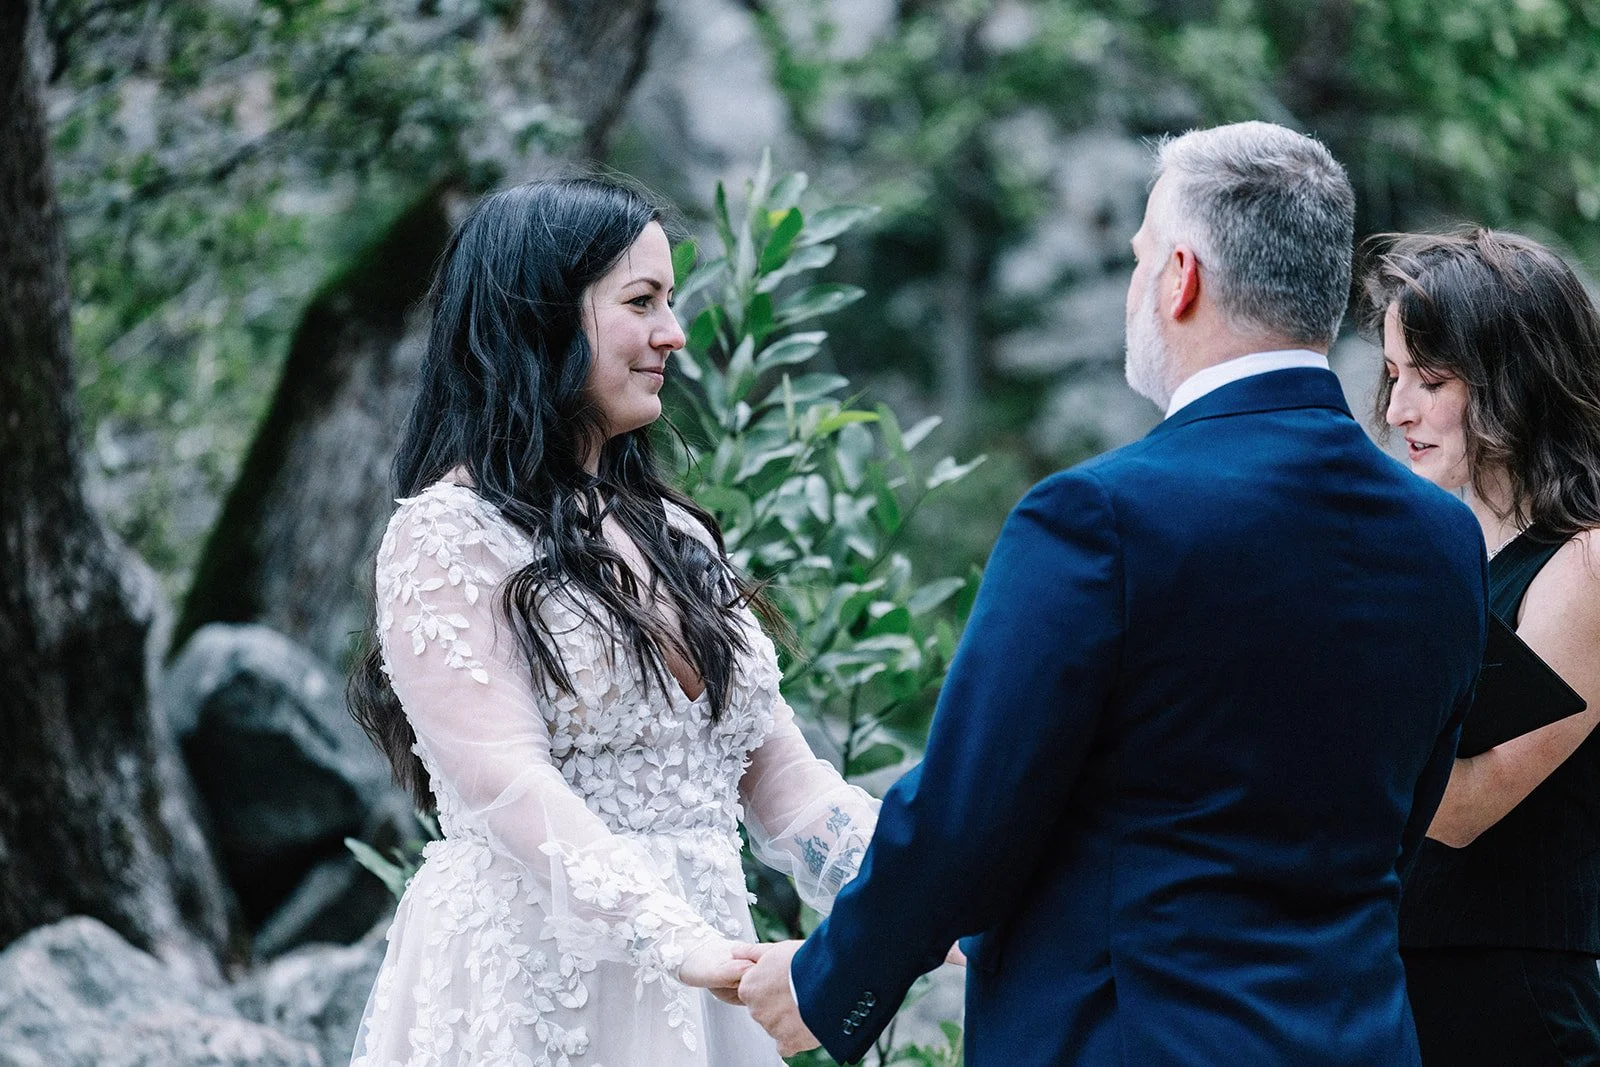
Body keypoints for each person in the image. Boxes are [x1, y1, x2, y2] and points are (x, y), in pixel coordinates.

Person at [734, 121, 1487, 1065]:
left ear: (1180, 277)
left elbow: (968, 816)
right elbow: (1397, 830)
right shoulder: (1442, 535)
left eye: (1138, 259)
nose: (1136, 286)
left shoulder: (1097, 517)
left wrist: (829, 984)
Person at [344, 176, 879, 1066]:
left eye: (670, 302)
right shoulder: (444, 535)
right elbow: (510, 786)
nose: (673, 333)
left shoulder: (674, 535)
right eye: (642, 302)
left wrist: (923, 896)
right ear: (541, 317)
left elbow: (789, 787)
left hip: (703, 985)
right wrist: (677, 940)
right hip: (536, 984)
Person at [1365, 228, 1600, 1065]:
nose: (1396, 412)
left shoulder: (1586, 560)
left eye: (1429, 381)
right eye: (1394, 377)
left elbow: (1465, 808)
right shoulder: (1450, 544)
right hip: (1405, 982)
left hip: (1511, 1001)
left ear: (1515, 379)